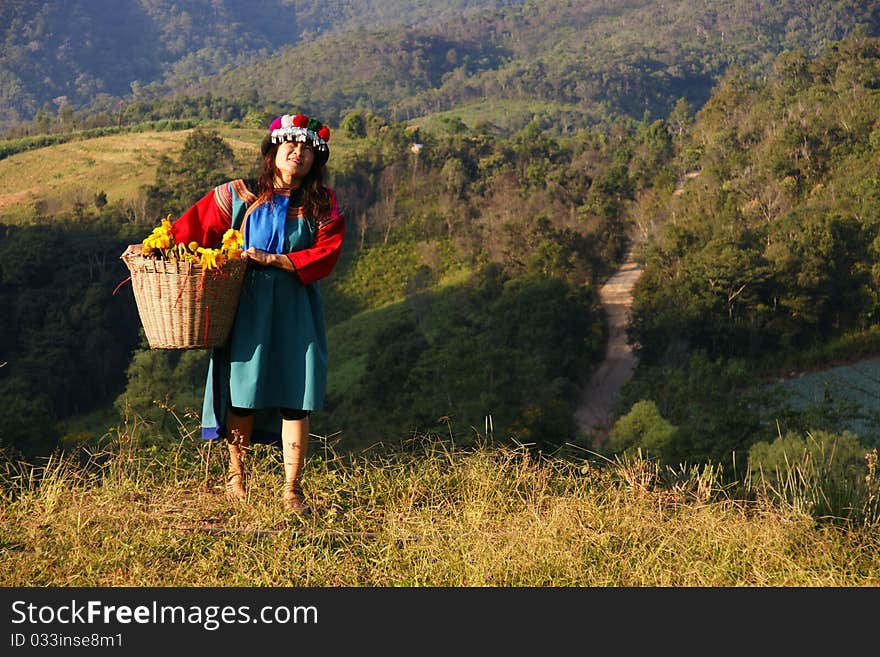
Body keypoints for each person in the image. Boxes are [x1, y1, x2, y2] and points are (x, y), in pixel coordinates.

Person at [164, 112, 345, 514]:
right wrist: (151, 248)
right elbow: (189, 229)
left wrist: (276, 259)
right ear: (274, 150)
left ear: (316, 161)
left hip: (296, 307)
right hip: (246, 306)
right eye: (291, 145)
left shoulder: (323, 205)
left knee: (297, 396)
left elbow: (326, 254)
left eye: (307, 151)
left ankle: (292, 489)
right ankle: (237, 479)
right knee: (242, 394)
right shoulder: (238, 196)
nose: (298, 154)